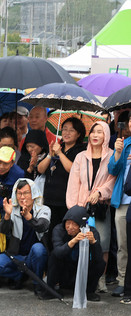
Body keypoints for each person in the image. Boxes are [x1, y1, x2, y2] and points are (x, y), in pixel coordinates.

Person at [66, 120, 116, 292]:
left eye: (100, 132)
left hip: (100, 207)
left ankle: (100, 279)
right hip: (81, 207)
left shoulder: (112, 156)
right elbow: (73, 184)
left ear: (106, 135)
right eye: (93, 131)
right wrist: (74, 208)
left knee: (103, 244)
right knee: (81, 242)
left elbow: (113, 180)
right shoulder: (81, 157)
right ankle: (82, 278)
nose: (95, 135)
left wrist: (100, 192)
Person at [0, 179, 50, 292]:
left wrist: (29, 218)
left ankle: (37, 283)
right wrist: (7, 215)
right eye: (19, 193)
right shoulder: (13, 208)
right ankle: (19, 276)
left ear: (34, 194)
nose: (22, 197)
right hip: (16, 256)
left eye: (26, 193)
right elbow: (3, 230)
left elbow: (43, 226)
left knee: (38, 249)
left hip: (34, 256)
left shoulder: (43, 209)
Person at [38, 118, 86, 234]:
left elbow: (73, 169)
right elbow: (40, 169)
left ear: (79, 134)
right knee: (48, 233)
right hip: (49, 198)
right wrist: (50, 155)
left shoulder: (81, 151)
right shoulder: (57, 147)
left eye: (71, 130)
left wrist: (59, 154)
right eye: (64, 129)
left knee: (63, 233)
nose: (67, 133)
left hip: (66, 201)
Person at [47, 205, 104, 301]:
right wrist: (73, 241)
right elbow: (58, 252)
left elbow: (98, 258)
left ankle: (89, 292)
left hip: (81, 271)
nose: (70, 227)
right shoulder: (59, 229)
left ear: (81, 225)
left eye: (74, 224)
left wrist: (93, 242)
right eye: (68, 223)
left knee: (100, 264)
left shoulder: (92, 232)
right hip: (64, 272)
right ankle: (50, 290)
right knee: (54, 255)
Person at [108, 115, 131, 296]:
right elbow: (112, 170)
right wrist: (117, 152)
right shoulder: (125, 143)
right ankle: (123, 280)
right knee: (123, 244)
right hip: (123, 201)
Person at [22, 129, 49, 195]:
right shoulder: (24, 158)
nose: (29, 149)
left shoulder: (48, 158)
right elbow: (21, 181)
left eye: (32, 146)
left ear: (41, 146)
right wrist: (30, 168)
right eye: (27, 146)